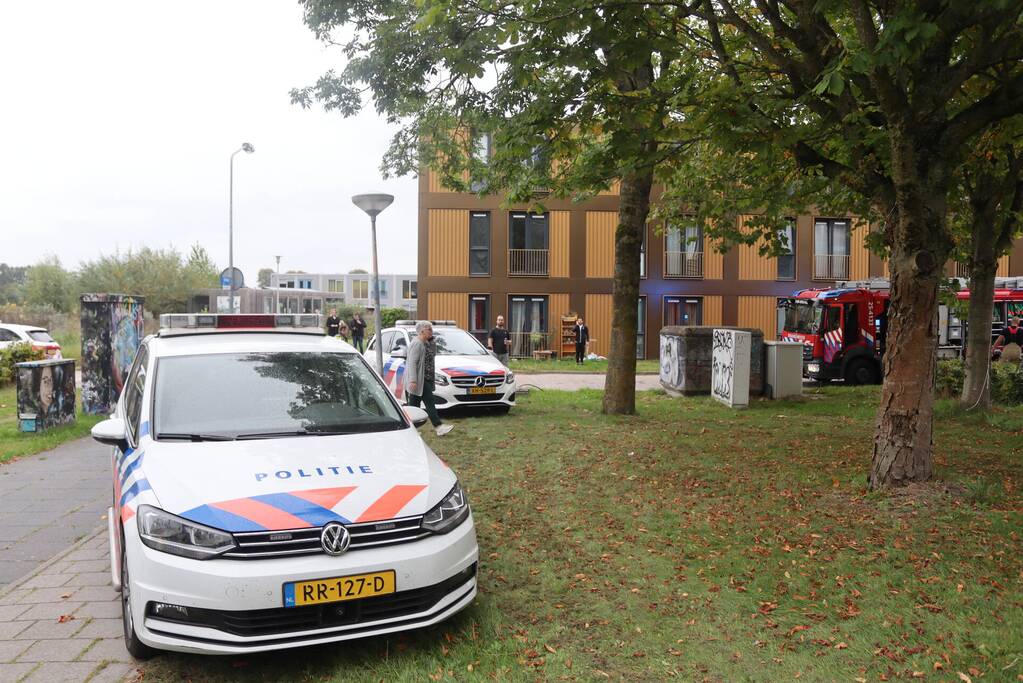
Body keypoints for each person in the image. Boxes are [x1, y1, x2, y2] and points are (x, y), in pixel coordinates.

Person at [405, 321, 453, 436]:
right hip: (420, 380)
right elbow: (412, 363)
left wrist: (432, 342)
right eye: (429, 329)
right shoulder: (417, 344)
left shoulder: (425, 343)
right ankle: (439, 427)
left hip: (424, 379)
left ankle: (411, 430)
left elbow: (433, 354)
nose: (432, 331)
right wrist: (413, 380)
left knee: (413, 406)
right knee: (429, 401)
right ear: (422, 331)